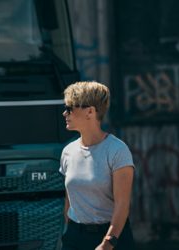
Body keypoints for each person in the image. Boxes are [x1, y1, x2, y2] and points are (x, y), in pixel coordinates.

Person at [59, 81, 135, 250]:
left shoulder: (117, 150)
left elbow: (122, 205)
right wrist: (70, 232)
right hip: (75, 238)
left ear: (90, 111)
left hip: (111, 238)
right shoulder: (68, 152)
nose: (65, 113)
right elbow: (69, 200)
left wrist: (108, 243)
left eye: (70, 108)